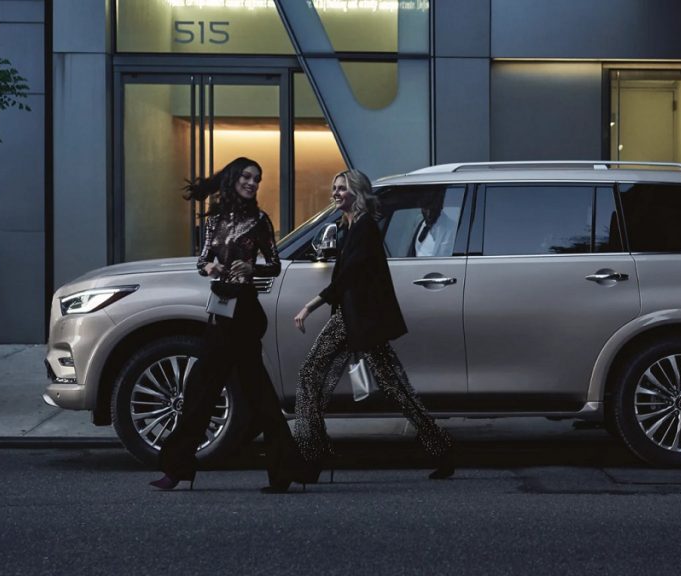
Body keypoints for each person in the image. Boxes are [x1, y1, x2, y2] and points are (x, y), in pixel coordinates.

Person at [151, 157, 304, 493]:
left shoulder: (259, 221)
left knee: (226, 390)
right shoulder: (215, 221)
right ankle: (179, 469)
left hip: (245, 313)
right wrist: (210, 268)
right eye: (247, 176)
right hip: (221, 310)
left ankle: (179, 470)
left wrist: (252, 269)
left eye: (257, 179)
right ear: (234, 179)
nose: (252, 183)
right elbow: (202, 259)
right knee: (215, 390)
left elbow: (275, 265)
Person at [292, 169, 455, 480]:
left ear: (357, 192)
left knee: (311, 376)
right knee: (394, 386)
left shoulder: (365, 227)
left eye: (342, 188)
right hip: (360, 319)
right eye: (334, 188)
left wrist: (310, 305)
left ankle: (312, 457)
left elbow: (349, 275)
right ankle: (443, 450)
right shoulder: (350, 226)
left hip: (357, 319)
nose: (335, 193)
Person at [413, 191, 459, 257]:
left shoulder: (452, 229)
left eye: (432, 208)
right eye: (426, 208)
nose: (429, 214)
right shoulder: (419, 223)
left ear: (440, 205)